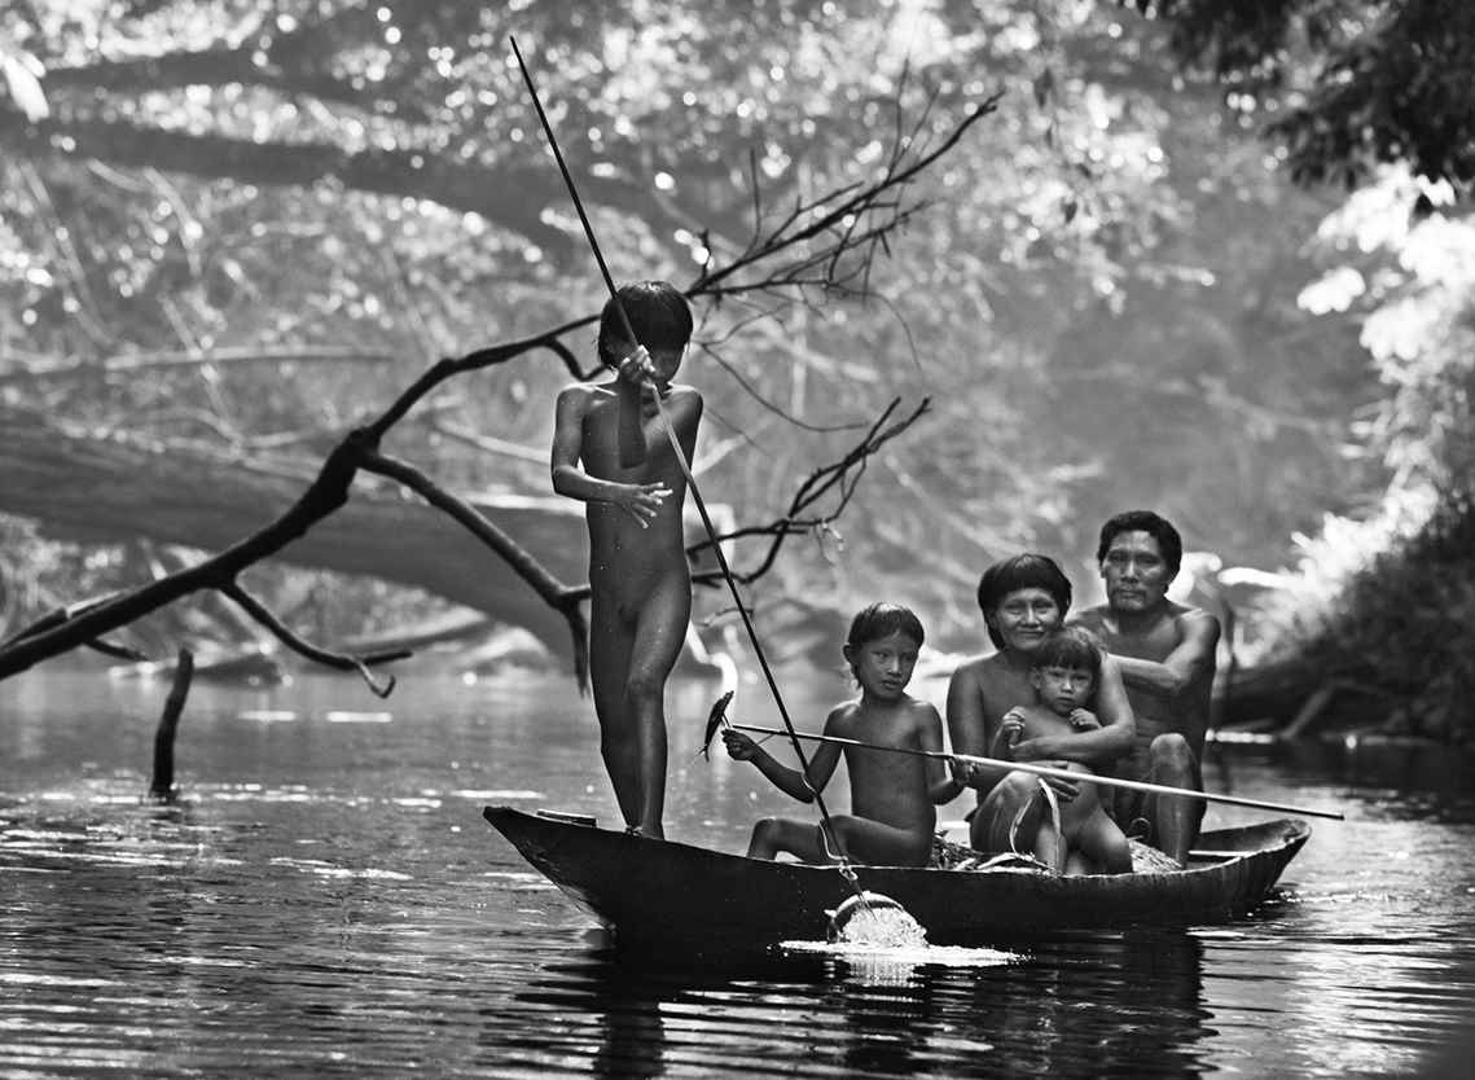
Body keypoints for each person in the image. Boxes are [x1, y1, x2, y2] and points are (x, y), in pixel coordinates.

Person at [550, 281, 703, 840]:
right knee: (612, 725)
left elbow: (639, 454)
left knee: (644, 688)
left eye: (675, 353)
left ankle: (653, 828)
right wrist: (612, 494)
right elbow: (562, 475)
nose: (664, 364)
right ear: (614, 345)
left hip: (663, 582)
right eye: (653, 352)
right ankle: (637, 836)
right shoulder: (577, 400)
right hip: (609, 588)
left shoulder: (684, 403)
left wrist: (642, 396)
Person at [722, 603, 957, 867]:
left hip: (907, 847)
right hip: (858, 843)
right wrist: (756, 755)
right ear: (852, 655)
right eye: (882, 656)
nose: (895, 668)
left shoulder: (921, 715)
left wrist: (958, 780)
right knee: (769, 829)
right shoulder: (842, 719)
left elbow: (938, 791)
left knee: (839, 827)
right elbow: (808, 788)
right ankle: (747, 901)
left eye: (908, 658)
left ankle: (838, 892)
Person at [946, 554, 1136, 864]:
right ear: (993, 617)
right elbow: (972, 771)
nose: (1031, 619)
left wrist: (1044, 748)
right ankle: (1015, 871)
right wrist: (1034, 772)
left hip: (1086, 819)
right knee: (1023, 783)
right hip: (1006, 826)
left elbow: (1123, 735)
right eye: (1015, 608)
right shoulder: (972, 676)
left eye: (1042, 607)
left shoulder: (1093, 663)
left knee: (1079, 873)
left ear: (1061, 613)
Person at [1070, 510, 1221, 865]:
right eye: (1118, 560)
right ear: (1102, 567)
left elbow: (1173, 681)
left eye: (1147, 562)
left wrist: (1091, 659)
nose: (1130, 574)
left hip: (1164, 801)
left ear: (1170, 575)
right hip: (1096, 799)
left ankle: (1174, 869)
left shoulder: (1195, 625)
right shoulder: (1079, 628)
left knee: (1170, 745)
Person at [991, 628, 1132, 874]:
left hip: (1092, 817)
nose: (1067, 687)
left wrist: (1097, 729)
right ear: (1037, 679)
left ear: (1092, 687)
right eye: (1057, 676)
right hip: (1049, 819)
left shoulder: (1088, 722)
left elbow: (1107, 771)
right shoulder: (1025, 717)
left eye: (1079, 679)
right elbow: (999, 765)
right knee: (1051, 870)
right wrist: (1004, 735)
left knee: (1119, 852)